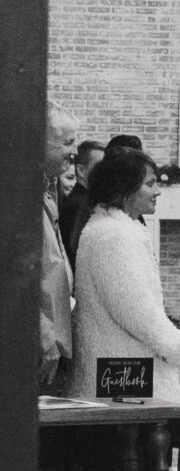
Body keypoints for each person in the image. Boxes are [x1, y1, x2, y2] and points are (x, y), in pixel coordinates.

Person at [68, 148, 180, 403]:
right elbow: (133, 306)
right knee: (136, 441)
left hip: (123, 366)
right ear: (125, 189)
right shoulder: (114, 235)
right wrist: (175, 344)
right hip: (123, 370)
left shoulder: (117, 229)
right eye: (150, 183)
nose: (158, 191)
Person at [40, 101, 78, 391]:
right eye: (67, 142)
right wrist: (43, 336)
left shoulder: (45, 192)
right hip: (38, 345)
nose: (74, 151)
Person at [58, 139, 106, 267]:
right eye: (100, 167)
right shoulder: (78, 206)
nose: (107, 173)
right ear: (80, 170)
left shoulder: (86, 202)